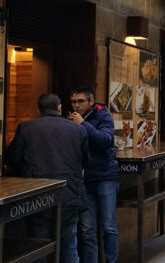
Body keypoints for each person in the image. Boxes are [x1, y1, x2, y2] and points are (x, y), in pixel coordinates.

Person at [6, 93, 89, 263]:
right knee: (69, 246)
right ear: (59, 108)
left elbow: (12, 159)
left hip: (38, 196)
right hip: (69, 193)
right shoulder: (79, 129)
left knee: (38, 248)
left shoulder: (26, 127)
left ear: (38, 110)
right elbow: (86, 161)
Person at [69, 87, 118, 263]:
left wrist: (83, 124)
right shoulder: (72, 119)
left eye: (80, 101)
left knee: (108, 227)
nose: (76, 106)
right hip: (85, 180)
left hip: (105, 177)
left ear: (91, 102)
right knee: (87, 230)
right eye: (74, 102)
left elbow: (106, 141)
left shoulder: (103, 116)